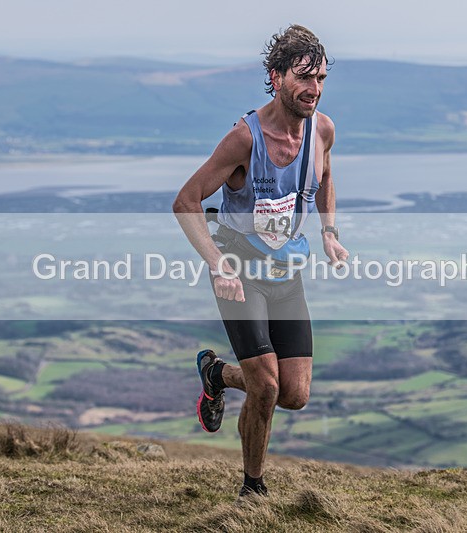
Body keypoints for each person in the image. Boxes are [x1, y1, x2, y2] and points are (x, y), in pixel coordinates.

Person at [172, 24, 348, 498]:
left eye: (321, 79)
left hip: (286, 271)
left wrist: (329, 232)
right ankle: (254, 488)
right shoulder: (244, 140)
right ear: (275, 76)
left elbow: (325, 173)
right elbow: (186, 201)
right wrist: (215, 262)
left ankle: (218, 374)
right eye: (303, 77)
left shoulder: (322, 131)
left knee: (295, 394)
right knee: (266, 388)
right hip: (240, 267)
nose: (314, 89)